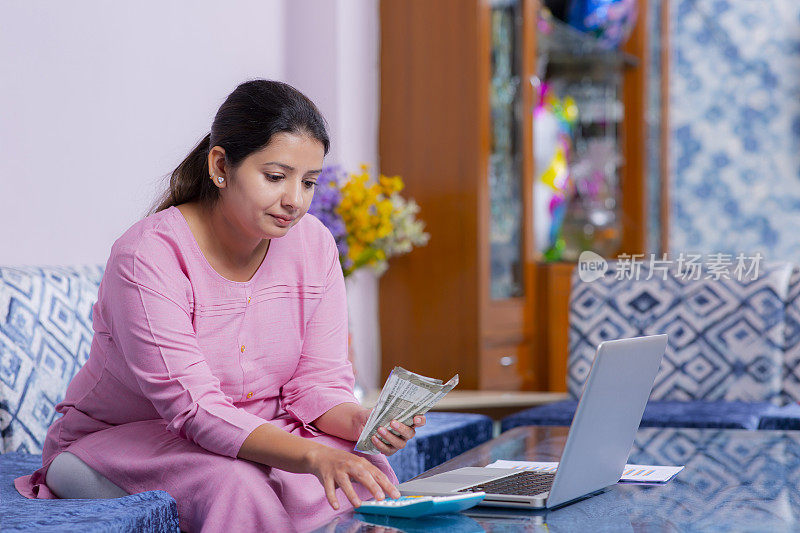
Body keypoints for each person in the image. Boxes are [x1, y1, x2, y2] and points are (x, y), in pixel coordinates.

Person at [14, 79, 425, 532]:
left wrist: (363, 422)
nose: (295, 201)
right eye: (275, 177)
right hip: (122, 443)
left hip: (253, 430)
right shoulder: (147, 255)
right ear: (220, 166)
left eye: (309, 182)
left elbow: (319, 383)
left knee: (357, 468)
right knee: (238, 482)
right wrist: (311, 454)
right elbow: (192, 407)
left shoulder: (315, 245)